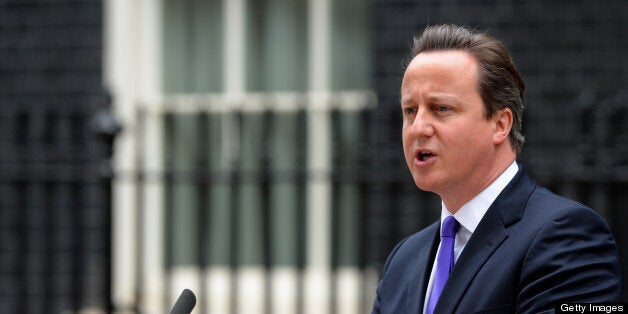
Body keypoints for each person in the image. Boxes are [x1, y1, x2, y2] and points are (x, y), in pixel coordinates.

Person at [371, 24, 621, 314]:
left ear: (500, 124)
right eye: (410, 110)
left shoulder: (567, 236)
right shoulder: (403, 259)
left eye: (441, 108)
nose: (418, 128)